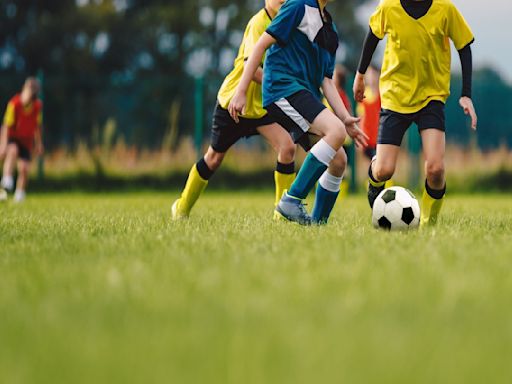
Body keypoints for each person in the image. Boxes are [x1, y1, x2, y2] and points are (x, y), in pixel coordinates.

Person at [229, 0, 368, 225]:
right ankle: (292, 199)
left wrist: (345, 119)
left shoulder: (331, 31)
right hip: (282, 87)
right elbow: (260, 45)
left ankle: (317, 224)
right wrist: (241, 90)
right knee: (335, 132)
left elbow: (326, 80)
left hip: (303, 94)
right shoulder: (298, 5)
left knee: (339, 159)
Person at [353, 0, 477, 226]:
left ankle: (428, 225)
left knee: (436, 169)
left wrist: (466, 93)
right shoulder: (389, 7)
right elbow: (372, 35)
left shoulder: (445, 8)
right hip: (395, 97)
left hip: (431, 97)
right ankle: (375, 174)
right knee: (384, 170)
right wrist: (360, 76)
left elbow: (464, 46)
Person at [172, 0, 297, 220]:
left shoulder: (288, 24)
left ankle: (282, 215)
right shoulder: (259, 22)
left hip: (261, 107)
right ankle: (182, 208)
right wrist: (284, 82)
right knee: (213, 158)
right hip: (234, 103)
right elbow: (253, 68)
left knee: (287, 147)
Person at [0, 77, 44, 202]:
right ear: (24, 89)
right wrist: (3, 145)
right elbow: (6, 126)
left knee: (24, 168)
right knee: (12, 150)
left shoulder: (37, 106)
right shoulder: (14, 104)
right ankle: (7, 180)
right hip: (12, 137)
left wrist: (39, 143)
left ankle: (19, 195)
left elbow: (37, 126)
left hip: (26, 139)